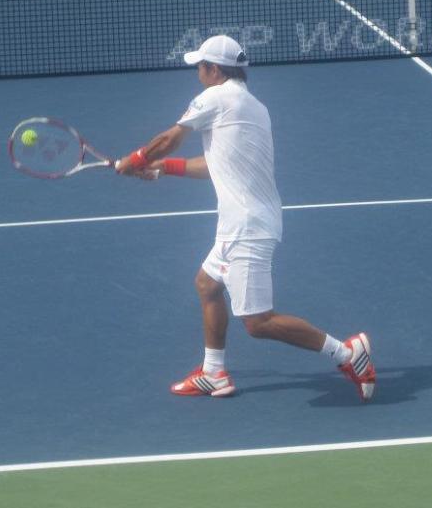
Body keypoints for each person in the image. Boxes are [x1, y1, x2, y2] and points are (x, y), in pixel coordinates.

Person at [116, 35, 376, 401]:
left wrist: (136, 160)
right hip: (241, 223)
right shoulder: (254, 107)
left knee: (258, 322)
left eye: (200, 67)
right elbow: (217, 165)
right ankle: (214, 373)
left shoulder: (215, 97)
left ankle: (348, 354)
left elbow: (169, 138)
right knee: (207, 285)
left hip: (247, 227)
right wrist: (162, 168)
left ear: (214, 70)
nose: (198, 73)